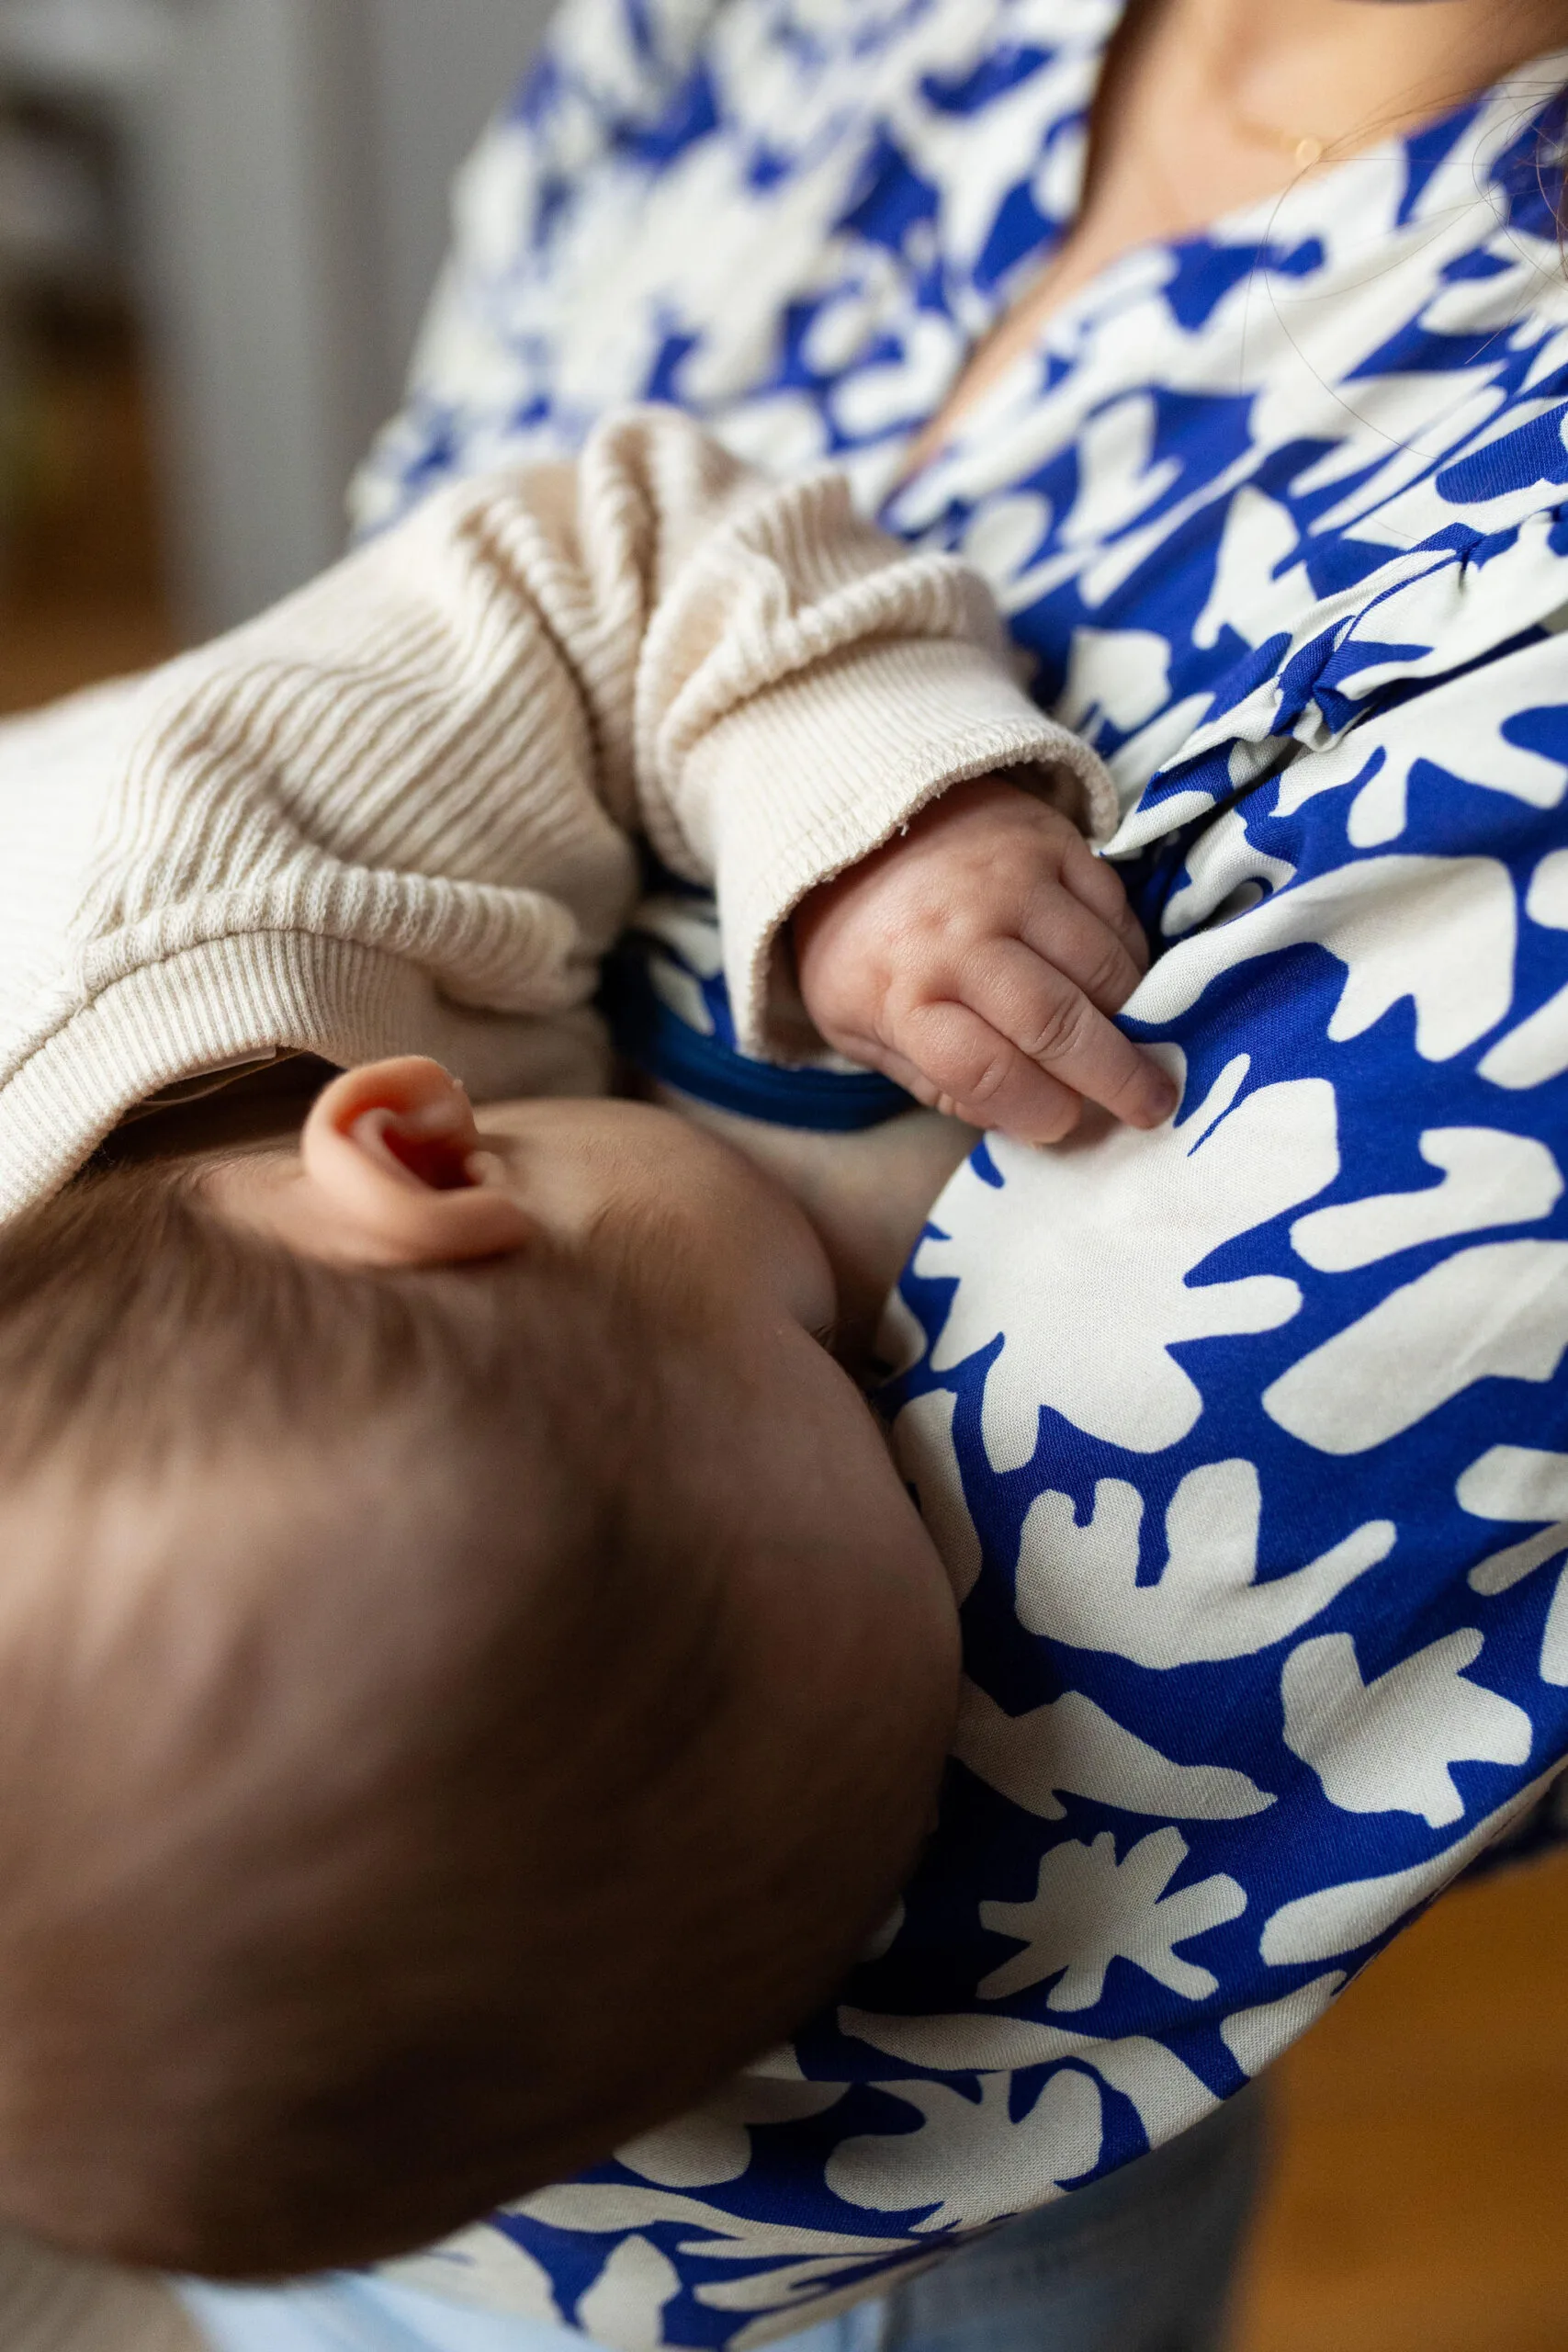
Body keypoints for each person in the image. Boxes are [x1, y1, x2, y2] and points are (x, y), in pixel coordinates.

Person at [14, 0, 1568, 2346]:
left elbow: (600, 549)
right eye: (854, 1374)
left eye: (813, 1361)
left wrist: (873, 826)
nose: (878, 1322)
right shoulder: (195, 1110)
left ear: (422, 1142)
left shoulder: (248, 833)